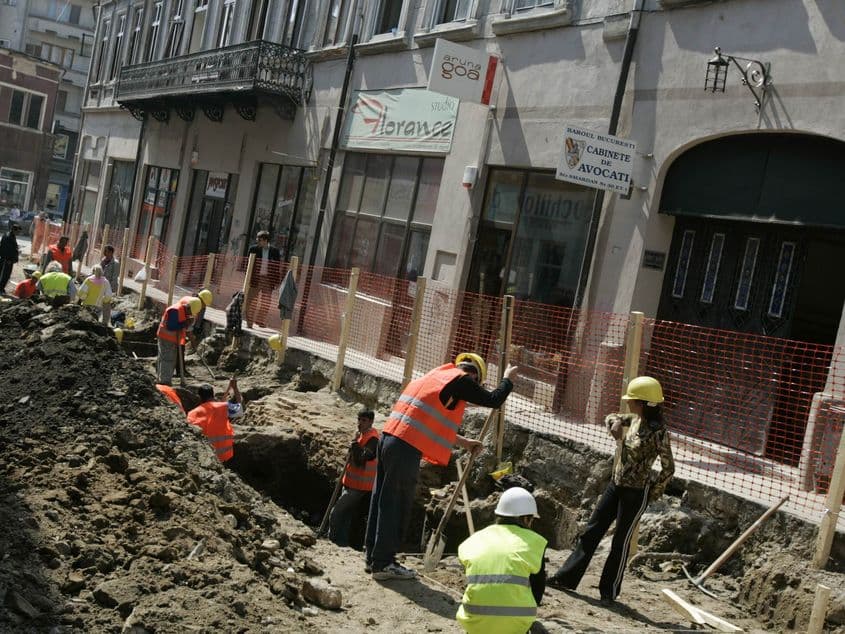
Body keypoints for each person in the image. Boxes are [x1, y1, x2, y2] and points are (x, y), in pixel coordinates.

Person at [366, 353, 519, 581]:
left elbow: (429, 420)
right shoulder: (463, 380)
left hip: (389, 439)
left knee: (382, 500)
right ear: (475, 376)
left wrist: (464, 443)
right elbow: (493, 399)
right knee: (396, 504)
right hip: (405, 447)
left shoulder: (437, 376)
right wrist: (507, 379)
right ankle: (384, 564)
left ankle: (373, 558)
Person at [548, 376, 674, 605]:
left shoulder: (658, 432)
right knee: (591, 532)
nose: (628, 403)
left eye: (632, 400)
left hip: (635, 493)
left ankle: (609, 592)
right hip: (615, 486)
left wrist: (653, 493)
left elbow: (668, 468)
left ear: (644, 403)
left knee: (620, 543)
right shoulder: (634, 419)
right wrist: (614, 422)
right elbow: (612, 417)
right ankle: (565, 578)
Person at [456, 487, 547, 634]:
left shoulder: (473, 540)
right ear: (525, 519)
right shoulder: (535, 543)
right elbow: (538, 589)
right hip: (517, 626)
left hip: (474, 624)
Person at [329, 410, 380, 548]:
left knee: (337, 512)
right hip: (350, 482)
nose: (360, 423)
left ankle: (331, 539)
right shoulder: (361, 436)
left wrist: (354, 444)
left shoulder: (373, 439)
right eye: (359, 420)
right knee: (346, 515)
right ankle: (341, 542)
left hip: (359, 486)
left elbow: (363, 458)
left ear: (371, 422)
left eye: (364, 420)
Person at [186, 379, 242, 462]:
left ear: (199, 397)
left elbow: (189, 435)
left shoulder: (192, 413)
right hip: (225, 455)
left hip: (206, 457)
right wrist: (235, 387)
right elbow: (239, 407)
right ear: (213, 395)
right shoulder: (224, 406)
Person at [157, 296, 203, 385]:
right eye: (190, 312)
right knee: (168, 359)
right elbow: (171, 326)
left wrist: (185, 324)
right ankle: (164, 382)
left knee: (166, 359)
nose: (190, 314)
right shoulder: (175, 310)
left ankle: (161, 380)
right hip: (166, 338)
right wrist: (184, 324)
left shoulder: (183, 310)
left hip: (171, 338)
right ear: (188, 307)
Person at [245, 230, 281, 328]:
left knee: (266, 302)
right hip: (255, 279)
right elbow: (247, 265)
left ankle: (259, 320)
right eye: (257, 239)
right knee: (251, 301)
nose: (258, 241)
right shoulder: (253, 249)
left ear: (266, 240)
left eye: (260, 240)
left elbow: (277, 267)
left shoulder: (275, 251)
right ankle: (249, 323)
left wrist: (277, 281)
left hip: (268, 280)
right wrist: (247, 277)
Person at [0, 222, 21, 294]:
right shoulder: (8, 236)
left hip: (9, 260)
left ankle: (2, 288)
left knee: (7, 275)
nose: (19, 233)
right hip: (7, 260)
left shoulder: (11, 236)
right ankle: (0, 288)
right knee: (4, 275)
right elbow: (5, 249)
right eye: (18, 231)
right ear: (14, 230)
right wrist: (8, 259)